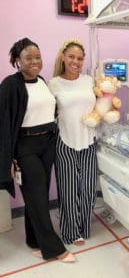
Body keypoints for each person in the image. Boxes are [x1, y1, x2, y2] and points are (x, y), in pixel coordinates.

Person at [0, 38, 75, 263]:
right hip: (25, 147)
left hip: (47, 144)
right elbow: (3, 123)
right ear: (17, 61)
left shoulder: (42, 81)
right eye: (28, 58)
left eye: (38, 57)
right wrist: (9, 158)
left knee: (37, 196)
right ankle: (54, 248)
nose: (35, 62)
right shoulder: (10, 85)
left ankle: (34, 241)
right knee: (38, 198)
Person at [48, 39, 97, 246]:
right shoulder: (54, 83)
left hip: (89, 140)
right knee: (68, 190)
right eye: (71, 57)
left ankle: (84, 226)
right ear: (63, 57)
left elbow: (100, 105)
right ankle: (70, 232)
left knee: (88, 189)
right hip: (65, 141)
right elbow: (49, 113)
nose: (75, 61)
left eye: (79, 58)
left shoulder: (89, 81)